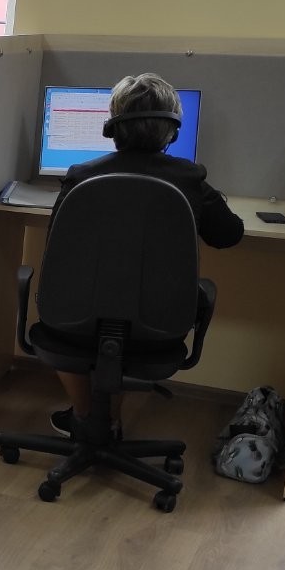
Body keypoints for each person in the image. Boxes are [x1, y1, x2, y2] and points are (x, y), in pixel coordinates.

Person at [48, 73, 244, 439]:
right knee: (130, 307)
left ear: (112, 127)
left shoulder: (81, 177)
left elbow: (56, 244)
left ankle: (86, 417)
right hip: (156, 327)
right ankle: (109, 422)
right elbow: (229, 235)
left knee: (89, 306)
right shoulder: (190, 180)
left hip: (74, 323)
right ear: (173, 132)